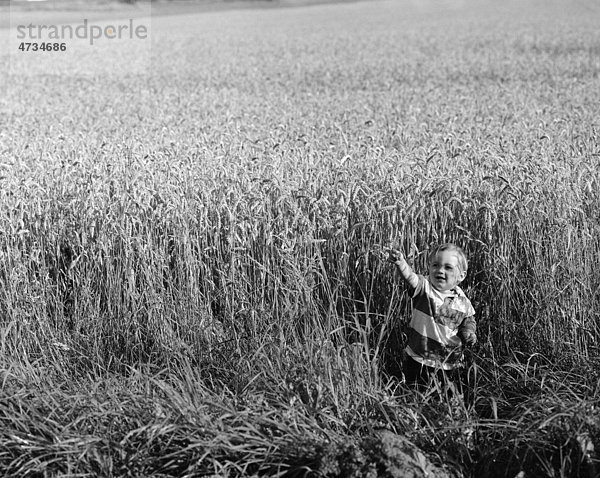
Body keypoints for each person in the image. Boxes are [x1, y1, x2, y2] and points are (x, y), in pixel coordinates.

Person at [387, 243, 476, 396]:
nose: (440, 270)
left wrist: (469, 332)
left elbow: (468, 320)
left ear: (461, 276)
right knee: (415, 394)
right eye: (435, 265)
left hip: (450, 363)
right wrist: (401, 263)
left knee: (446, 397)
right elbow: (410, 277)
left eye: (448, 267)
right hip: (418, 358)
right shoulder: (425, 288)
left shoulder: (462, 300)